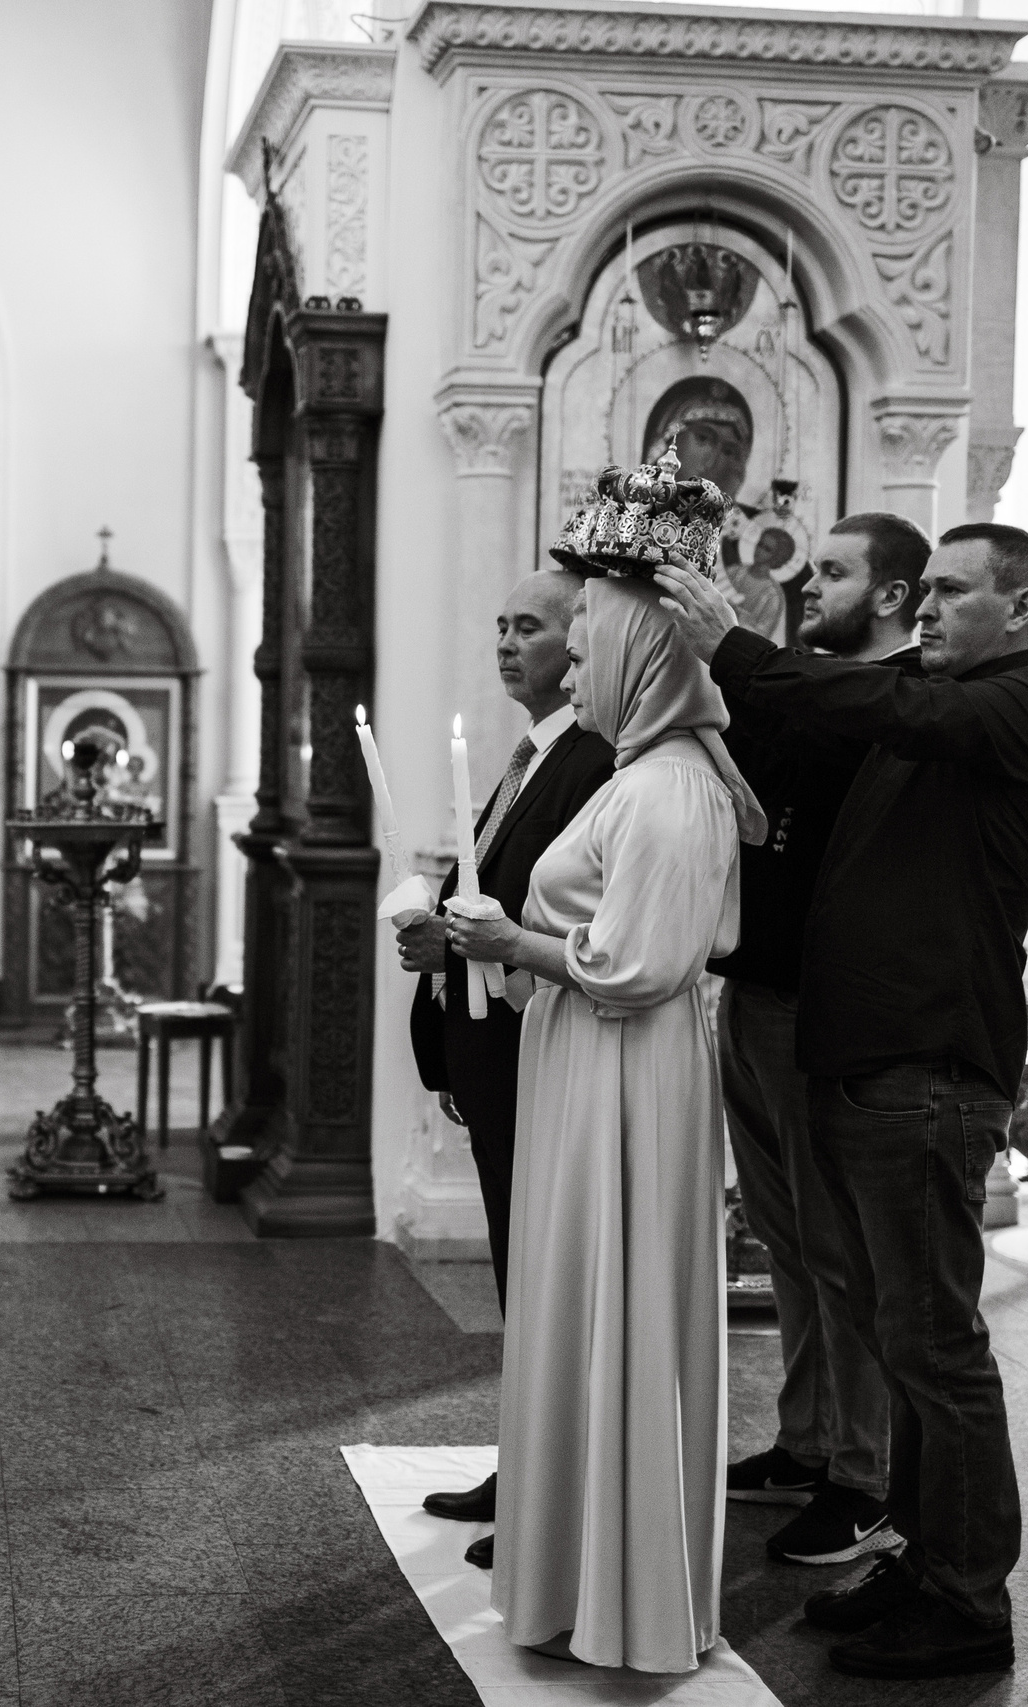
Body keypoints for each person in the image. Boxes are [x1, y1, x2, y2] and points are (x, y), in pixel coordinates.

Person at [656, 523, 1028, 1681]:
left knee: (936, 1348)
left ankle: (964, 1598)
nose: (931, 610)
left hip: (930, 1066)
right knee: (898, 1340)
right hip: (869, 1058)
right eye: (927, 590)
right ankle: (914, 1549)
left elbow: (891, 711)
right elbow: (849, 721)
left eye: (953, 591)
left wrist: (733, 644)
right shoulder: (931, 702)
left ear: (1022, 608)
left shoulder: (1025, 709)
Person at [444, 573, 765, 1672]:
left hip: (626, 1072)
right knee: (579, 1298)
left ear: (640, 659)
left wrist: (507, 946)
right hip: (591, 1058)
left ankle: (617, 1588)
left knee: (612, 1294)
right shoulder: (638, 779)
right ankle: (576, 1567)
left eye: (585, 654)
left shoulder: (671, 790)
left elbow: (629, 969)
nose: (570, 672)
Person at [714, 515, 929, 1568]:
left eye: (835, 573)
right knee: (782, 1237)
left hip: (819, 1006)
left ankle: (863, 1475)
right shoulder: (812, 687)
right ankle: (805, 1442)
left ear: (888, 596)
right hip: (751, 987)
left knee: (838, 1253)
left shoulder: (897, 704)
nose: (810, 586)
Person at [398, 567, 615, 1559]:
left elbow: (545, 912)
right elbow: (490, 894)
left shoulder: (593, 762)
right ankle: (521, 1463)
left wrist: (465, 932)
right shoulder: (530, 756)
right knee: (514, 1276)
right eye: (497, 624)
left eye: (525, 626)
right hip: (491, 1051)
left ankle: (549, 1490)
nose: (504, 640)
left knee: (544, 1276)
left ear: (580, 644)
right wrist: (433, 933)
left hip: (538, 1049)